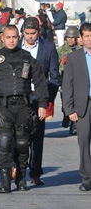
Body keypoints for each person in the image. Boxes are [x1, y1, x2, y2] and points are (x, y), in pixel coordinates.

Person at [0, 25, 49, 193]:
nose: (11, 40)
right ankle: (5, 181)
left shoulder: (27, 58)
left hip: (23, 107)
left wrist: (43, 104)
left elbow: (40, 81)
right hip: (3, 107)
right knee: (4, 143)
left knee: (23, 144)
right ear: (2, 38)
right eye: (8, 37)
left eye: (14, 37)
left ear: (19, 38)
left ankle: (21, 178)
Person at [16, 17, 60, 186]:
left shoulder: (48, 48)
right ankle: (18, 168)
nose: (30, 37)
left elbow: (54, 76)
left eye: (33, 34)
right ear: (23, 33)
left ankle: (35, 172)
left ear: (38, 32)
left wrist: (47, 100)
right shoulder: (16, 45)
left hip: (38, 98)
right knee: (18, 136)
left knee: (36, 138)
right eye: (27, 34)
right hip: (18, 98)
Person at [62, 23, 91, 191]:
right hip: (83, 106)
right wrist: (69, 110)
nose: (90, 39)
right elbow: (67, 85)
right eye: (86, 36)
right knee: (84, 142)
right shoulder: (74, 58)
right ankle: (86, 178)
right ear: (81, 38)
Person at [58, 26, 81, 135]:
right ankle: (66, 115)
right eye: (68, 37)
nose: (71, 40)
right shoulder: (61, 50)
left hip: (77, 81)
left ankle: (74, 124)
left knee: (76, 103)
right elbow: (55, 65)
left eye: (73, 38)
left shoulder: (80, 50)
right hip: (64, 79)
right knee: (65, 103)